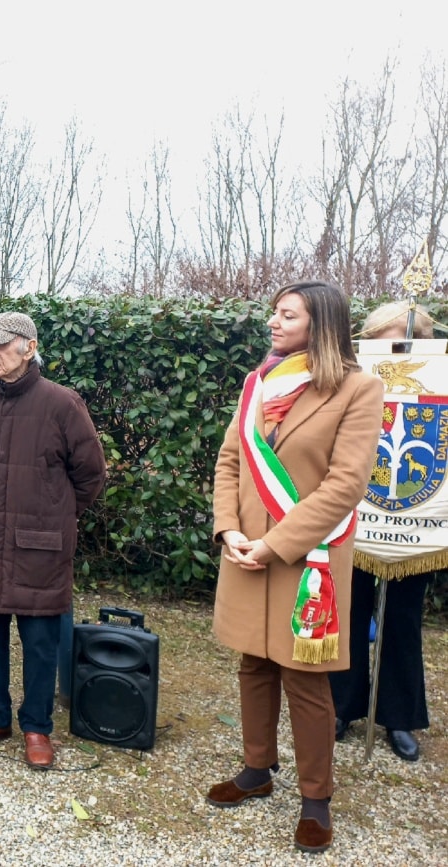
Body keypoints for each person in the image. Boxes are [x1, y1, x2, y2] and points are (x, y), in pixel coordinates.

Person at [207, 281, 383, 855]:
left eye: (288, 315)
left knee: (305, 678)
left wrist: (273, 543)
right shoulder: (259, 383)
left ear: (321, 324)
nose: (274, 323)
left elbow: (345, 484)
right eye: (275, 314)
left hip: (308, 558)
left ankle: (316, 799)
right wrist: (230, 529)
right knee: (253, 663)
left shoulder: (359, 388)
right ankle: (257, 769)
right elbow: (231, 459)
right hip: (246, 550)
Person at [0, 312, 106, 770]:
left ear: (29, 346)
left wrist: (55, 516)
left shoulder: (62, 404)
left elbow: (91, 475)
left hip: (40, 547)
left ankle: (37, 726)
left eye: (0, 345)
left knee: (40, 640)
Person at [330, 301, 434, 762]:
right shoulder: (349, 380)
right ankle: (341, 704)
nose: (398, 347)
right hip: (356, 512)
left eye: (409, 341)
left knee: (403, 621)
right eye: (389, 339)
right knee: (347, 612)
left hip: (416, 518)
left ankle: (398, 716)